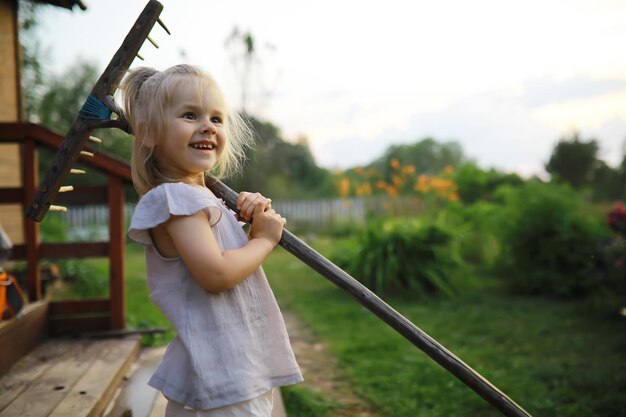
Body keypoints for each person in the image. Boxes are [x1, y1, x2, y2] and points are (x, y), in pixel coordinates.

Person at [121, 64, 303, 417]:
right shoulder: (176, 201)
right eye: (190, 115)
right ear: (148, 133)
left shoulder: (200, 199)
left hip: (233, 369)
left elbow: (227, 254)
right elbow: (217, 274)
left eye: (217, 119)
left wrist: (250, 223)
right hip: (222, 380)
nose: (207, 126)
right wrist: (264, 241)